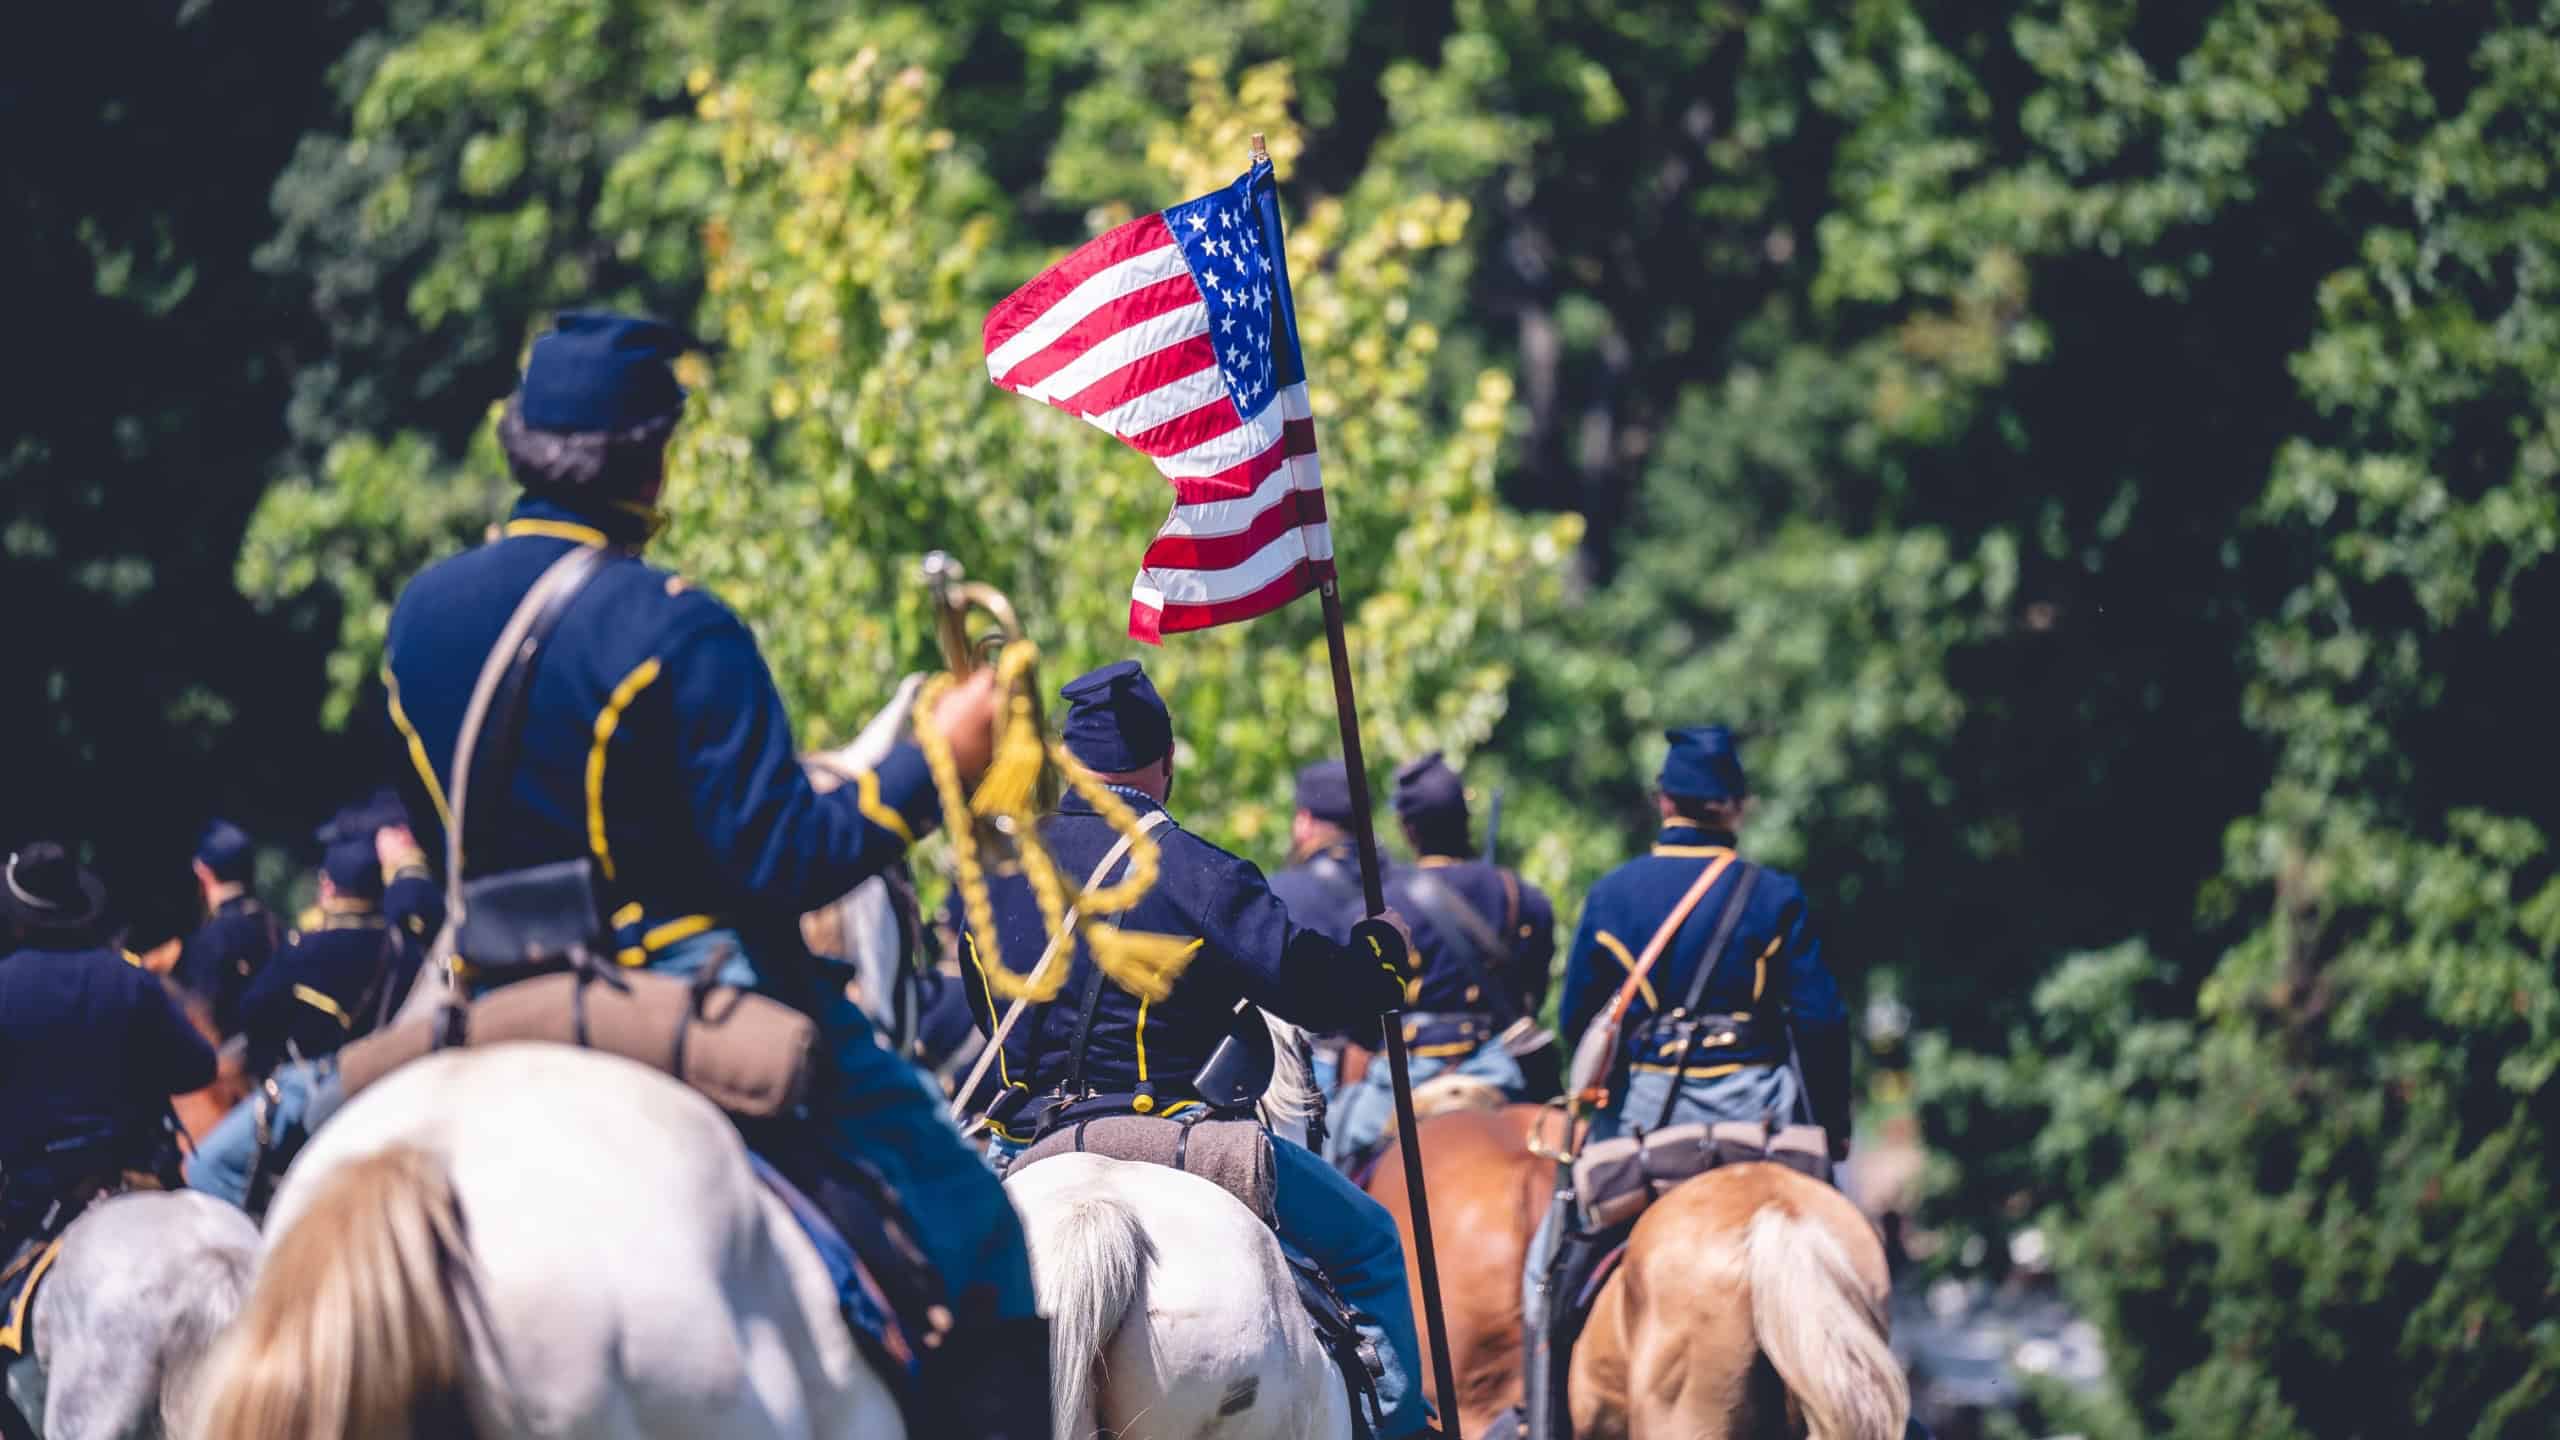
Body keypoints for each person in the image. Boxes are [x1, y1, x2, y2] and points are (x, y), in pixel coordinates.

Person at [190, 310, 1038, 1439]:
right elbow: (786, 857)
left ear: (517, 442)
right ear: (651, 460)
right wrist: (937, 761)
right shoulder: (677, 624)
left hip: (478, 990)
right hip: (685, 985)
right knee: (982, 1232)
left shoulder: (421, 619)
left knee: (230, 1165)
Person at [956, 660, 1441, 1440]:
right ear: (1166, 762)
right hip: (1187, 1141)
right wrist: (1381, 959)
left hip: (1032, 1146)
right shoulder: (1201, 873)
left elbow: (990, 1016)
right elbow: (1317, 992)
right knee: (1373, 1247)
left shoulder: (991, 876)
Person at [1514, 724, 1854, 1440]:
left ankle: (1539, 1425)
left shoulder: (1613, 896)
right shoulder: (1775, 895)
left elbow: (1579, 1018)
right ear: (1735, 807)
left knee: (1547, 1271)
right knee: (1848, 1262)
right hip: (1759, 1121)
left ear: (1662, 801)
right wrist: (1835, 1127)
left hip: (1644, 1125)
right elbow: (1820, 1020)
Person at [0, 844, 215, 1258]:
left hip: (30, 1197)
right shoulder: (131, 982)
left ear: (20, 921)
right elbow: (199, 1067)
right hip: (132, 1179)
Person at [1388, 752, 1562, 1100]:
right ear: (1465, 819)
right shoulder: (1521, 896)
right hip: (1501, 1066)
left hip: (1408, 1071)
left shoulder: (1384, 900)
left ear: (1408, 829)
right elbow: (1534, 990)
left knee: (1340, 1135)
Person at [233, 837, 404, 1076]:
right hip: (395, 1059)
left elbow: (251, 1010)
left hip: (328, 1076)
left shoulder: (304, 949)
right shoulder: (400, 941)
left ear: (328, 887)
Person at [1266, 759, 1365, 1097]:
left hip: (1318, 1073)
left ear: (1304, 822)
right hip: (1397, 1063)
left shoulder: (1279, 892)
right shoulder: (1399, 886)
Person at [171, 819, 276, 1036]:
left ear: (203, 873)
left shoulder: (212, 937)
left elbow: (200, 1023)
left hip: (227, 1063)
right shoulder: (272, 925)